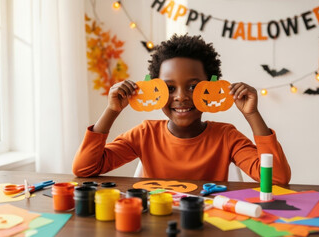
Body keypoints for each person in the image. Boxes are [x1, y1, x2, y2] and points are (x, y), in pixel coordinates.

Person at [73, 34, 291, 184]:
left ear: (212, 86)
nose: (181, 96)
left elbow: (276, 178)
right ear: (154, 89)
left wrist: (252, 114)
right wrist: (112, 110)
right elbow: (84, 169)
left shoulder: (226, 136)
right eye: (169, 88)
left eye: (194, 87)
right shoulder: (145, 134)